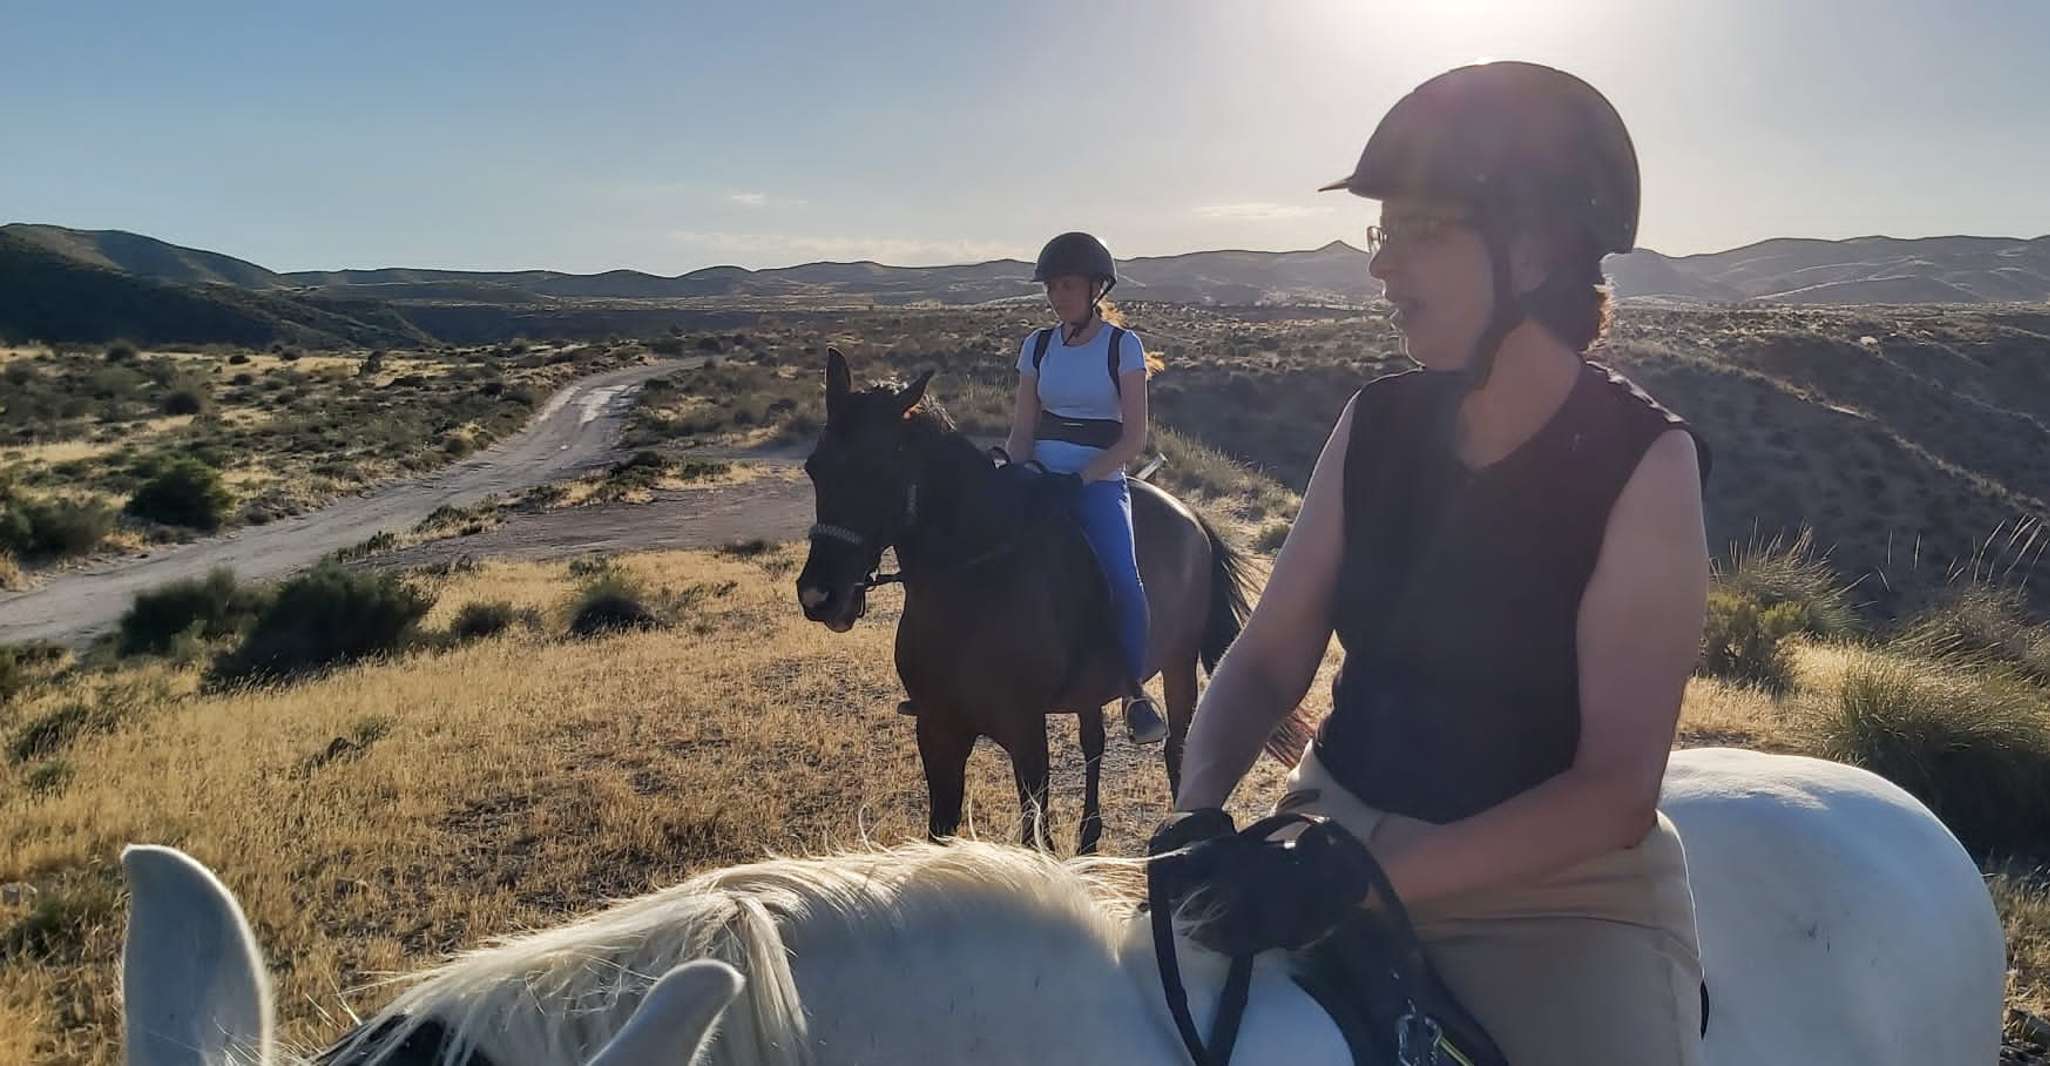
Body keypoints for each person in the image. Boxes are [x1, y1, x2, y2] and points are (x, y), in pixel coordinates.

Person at [1155, 62, 1713, 1065]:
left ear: (1534, 247)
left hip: (1555, 901)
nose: (1379, 268)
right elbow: (1270, 656)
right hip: (1329, 831)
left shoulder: (1645, 466)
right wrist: (1197, 809)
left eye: (1420, 231)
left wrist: (1365, 878)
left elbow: (1615, 792)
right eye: (1385, 232)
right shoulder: (1374, 423)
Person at [999, 230, 1167, 745]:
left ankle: (1134, 691)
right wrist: (1007, 464)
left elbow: (1132, 439)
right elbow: (1024, 430)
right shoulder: (1038, 345)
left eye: (1067, 285)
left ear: (1096, 288)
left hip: (1097, 481)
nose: (1057, 296)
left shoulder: (1124, 346)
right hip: (1041, 477)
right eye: (1051, 286)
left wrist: (1080, 479)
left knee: (1122, 576)